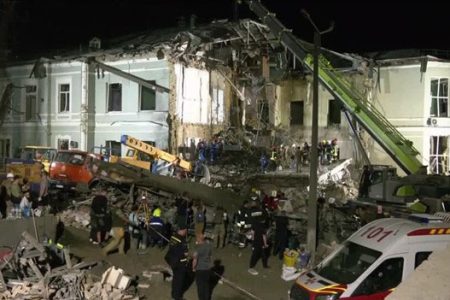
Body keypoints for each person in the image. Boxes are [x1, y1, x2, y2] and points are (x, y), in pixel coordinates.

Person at [165, 224, 189, 300]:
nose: (186, 231)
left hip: (173, 261)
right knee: (179, 281)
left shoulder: (173, 237)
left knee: (175, 279)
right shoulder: (182, 240)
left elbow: (171, 248)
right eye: (186, 230)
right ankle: (177, 297)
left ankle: (173, 294)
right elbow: (185, 253)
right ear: (182, 230)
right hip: (180, 263)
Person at [192, 233, 212, 300]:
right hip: (207, 268)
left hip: (200, 269)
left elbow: (195, 259)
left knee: (200, 286)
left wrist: (193, 268)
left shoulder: (198, 248)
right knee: (206, 285)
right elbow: (210, 256)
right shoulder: (208, 245)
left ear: (198, 239)